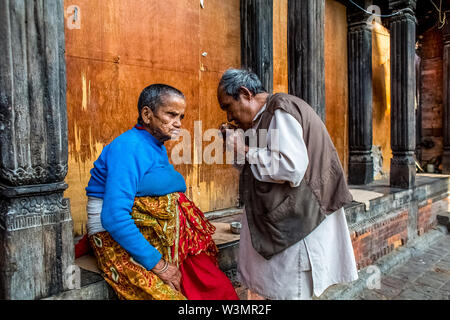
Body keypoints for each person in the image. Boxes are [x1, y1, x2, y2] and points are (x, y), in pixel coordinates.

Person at [85, 84, 238, 300]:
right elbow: (114, 216)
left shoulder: (155, 145)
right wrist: (160, 265)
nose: (178, 123)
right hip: (114, 236)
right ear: (147, 114)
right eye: (171, 114)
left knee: (211, 286)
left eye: (181, 117)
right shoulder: (128, 147)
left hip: (158, 232)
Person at [217, 69, 358, 300]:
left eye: (228, 107)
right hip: (289, 219)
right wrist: (239, 148)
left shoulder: (280, 110)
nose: (230, 117)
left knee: (293, 293)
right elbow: (254, 167)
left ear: (245, 94)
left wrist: (243, 149)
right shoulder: (261, 119)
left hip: (301, 221)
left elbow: (291, 168)